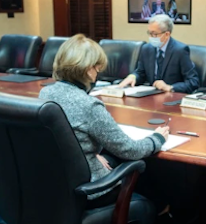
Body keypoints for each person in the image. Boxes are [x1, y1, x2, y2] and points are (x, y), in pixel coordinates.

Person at [39, 34, 169, 207]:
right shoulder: (89, 105)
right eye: (97, 66)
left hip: (54, 180)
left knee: (109, 158)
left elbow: (63, 137)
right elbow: (130, 150)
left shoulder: (46, 93)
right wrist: (157, 139)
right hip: (88, 189)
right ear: (88, 69)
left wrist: (88, 154)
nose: (99, 71)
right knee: (140, 167)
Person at [118, 15, 199, 94]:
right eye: (149, 33)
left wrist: (170, 87)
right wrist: (133, 77)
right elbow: (141, 73)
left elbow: (193, 82)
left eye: (154, 34)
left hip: (171, 98)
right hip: (150, 97)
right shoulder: (146, 49)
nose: (150, 37)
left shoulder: (180, 50)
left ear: (167, 34)